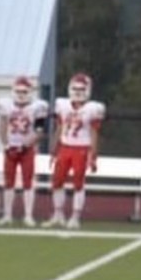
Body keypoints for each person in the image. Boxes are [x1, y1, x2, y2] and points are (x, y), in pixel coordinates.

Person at [43, 72, 105, 229]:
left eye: (81, 89)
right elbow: (60, 127)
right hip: (65, 147)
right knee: (57, 182)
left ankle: (75, 216)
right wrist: (54, 149)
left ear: (88, 90)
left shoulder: (92, 108)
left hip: (81, 148)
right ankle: (58, 214)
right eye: (75, 89)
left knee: (78, 183)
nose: (78, 92)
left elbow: (94, 132)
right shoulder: (63, 105)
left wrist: (93, 155)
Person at [0, 76, 49, 226]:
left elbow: (39, 132)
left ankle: (28, 215)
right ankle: (7, 215)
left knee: (28, 182)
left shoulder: (37, 107)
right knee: (8, 182)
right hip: (10, 148)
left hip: (27, 149)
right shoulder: (6, 106)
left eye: (24, 91)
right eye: (18, 91)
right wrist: (6, 145)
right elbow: (2, 127)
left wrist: (25, 145)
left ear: (30, 92)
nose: (21, 94)